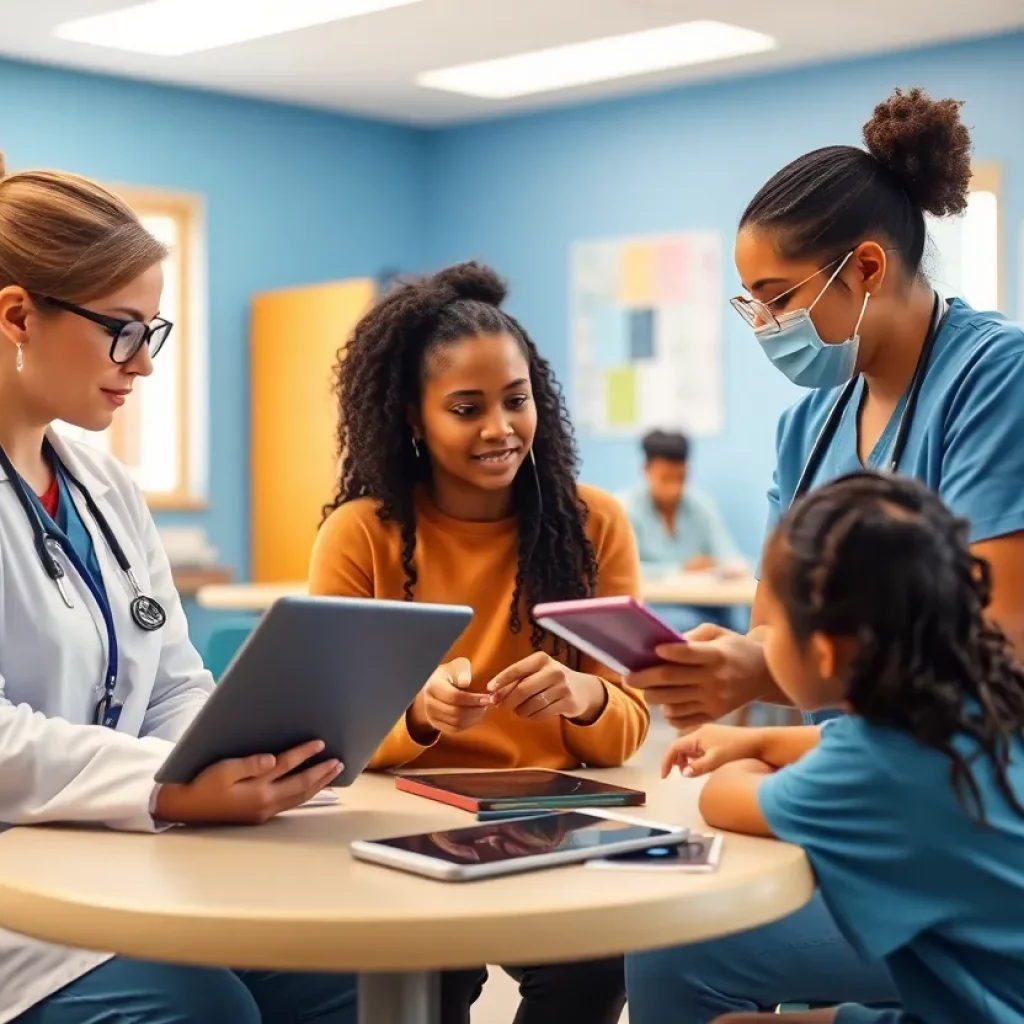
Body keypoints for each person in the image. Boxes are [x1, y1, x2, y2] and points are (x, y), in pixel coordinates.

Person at [625, 87, 1024, 1019]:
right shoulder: (811, 422)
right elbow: (775, 632)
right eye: (750, 303)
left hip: (950, 808)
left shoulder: (994, 380)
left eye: (778, 298)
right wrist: (734, 673)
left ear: (868, 267)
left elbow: (996, 650)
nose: (763, 325)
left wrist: (777, 734)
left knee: (678, 946)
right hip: (869, 779)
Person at [0, 159, 356, 1023]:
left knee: (341, 975)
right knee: (207, 1012)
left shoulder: (103, 486)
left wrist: (238, 757)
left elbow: (171, 681)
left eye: (151, 334)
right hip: (21, 892)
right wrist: (162, 786)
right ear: (17, 315)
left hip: (122, 850)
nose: (143, 365)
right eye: (122, 331)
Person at [308, 260, 648, 1024]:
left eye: (516, 400)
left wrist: (587, 696)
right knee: (426, 982)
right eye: (467, 408)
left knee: (596, 968)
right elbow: (332, 738)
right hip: (399, 823)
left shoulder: (593, 525)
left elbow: (627, 727)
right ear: (411, 417)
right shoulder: (360, 535)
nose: (500, 429)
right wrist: (421, 713)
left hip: (549, 826)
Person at [658, 471, 1024, 1024]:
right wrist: (755, 736)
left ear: (824, 653)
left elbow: (723, 799)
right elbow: (867, 750)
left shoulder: (862, 770)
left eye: (773, 627)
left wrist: (750, 756)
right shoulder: (984, 701)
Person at [619, 428, 741, 631]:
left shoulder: (700, 506)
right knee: (691, 626)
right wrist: (679, 570)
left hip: (706, 607)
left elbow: (729, 555)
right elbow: (624, 571)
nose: (674, 488)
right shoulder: (624, 509)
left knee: (731, 627)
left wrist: (724, 566)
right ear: (646, 470)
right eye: (665, 479)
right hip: (654, 610)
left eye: (681, 478)